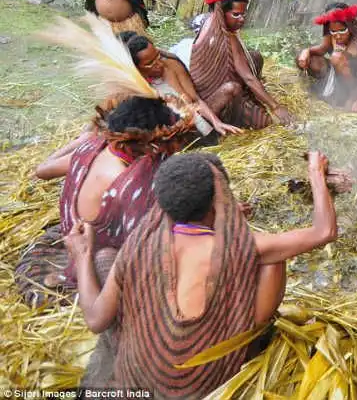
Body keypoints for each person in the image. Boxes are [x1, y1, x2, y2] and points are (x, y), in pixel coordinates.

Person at [65, 151, 337, 394]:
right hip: (203, 383)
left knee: (103, 258)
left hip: (139, 379)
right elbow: (324, 231)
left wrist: (81, 254)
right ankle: (252, 347)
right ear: (218, 204)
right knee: (275, 259)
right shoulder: (244, 246)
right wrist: (315, 172)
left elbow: (96, 320)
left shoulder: (140, 243)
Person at [17, 96, 194, 308]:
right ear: (148, 142)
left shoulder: (96, 146)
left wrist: (82, 140)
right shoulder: (126, 180)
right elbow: (149, 236)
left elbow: (42, 170)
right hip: (97, 255)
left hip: (81, 234)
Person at [190, 0, 292, 128]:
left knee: (255, 57)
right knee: (268, 124)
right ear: (220, 11)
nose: (242, 19)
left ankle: (249, 96)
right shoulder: (224, 35)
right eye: (236, 14)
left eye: (243, 14)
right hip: (212, 105)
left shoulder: (210, 21)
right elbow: (248, 77)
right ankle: (239, 107)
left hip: (211, 97)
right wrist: (275, 106)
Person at [120, 32, 242, 137]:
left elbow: (195, 100)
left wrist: (216, 122)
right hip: (174, 134)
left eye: (158, 56)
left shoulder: (172, 65)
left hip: (197, 121)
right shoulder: (135, 89)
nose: (159, 64)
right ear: (136, 67)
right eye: (150, 63)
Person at [296, 2, 357, 112]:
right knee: (313, 59)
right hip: (342, 79)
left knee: (337, 58)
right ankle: (331, 92)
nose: (337, 35)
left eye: (342, 30)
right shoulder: (331, 35)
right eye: (333, 31)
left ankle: (351, 96)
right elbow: (322, 49)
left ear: (349, 27)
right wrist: (305, 51)